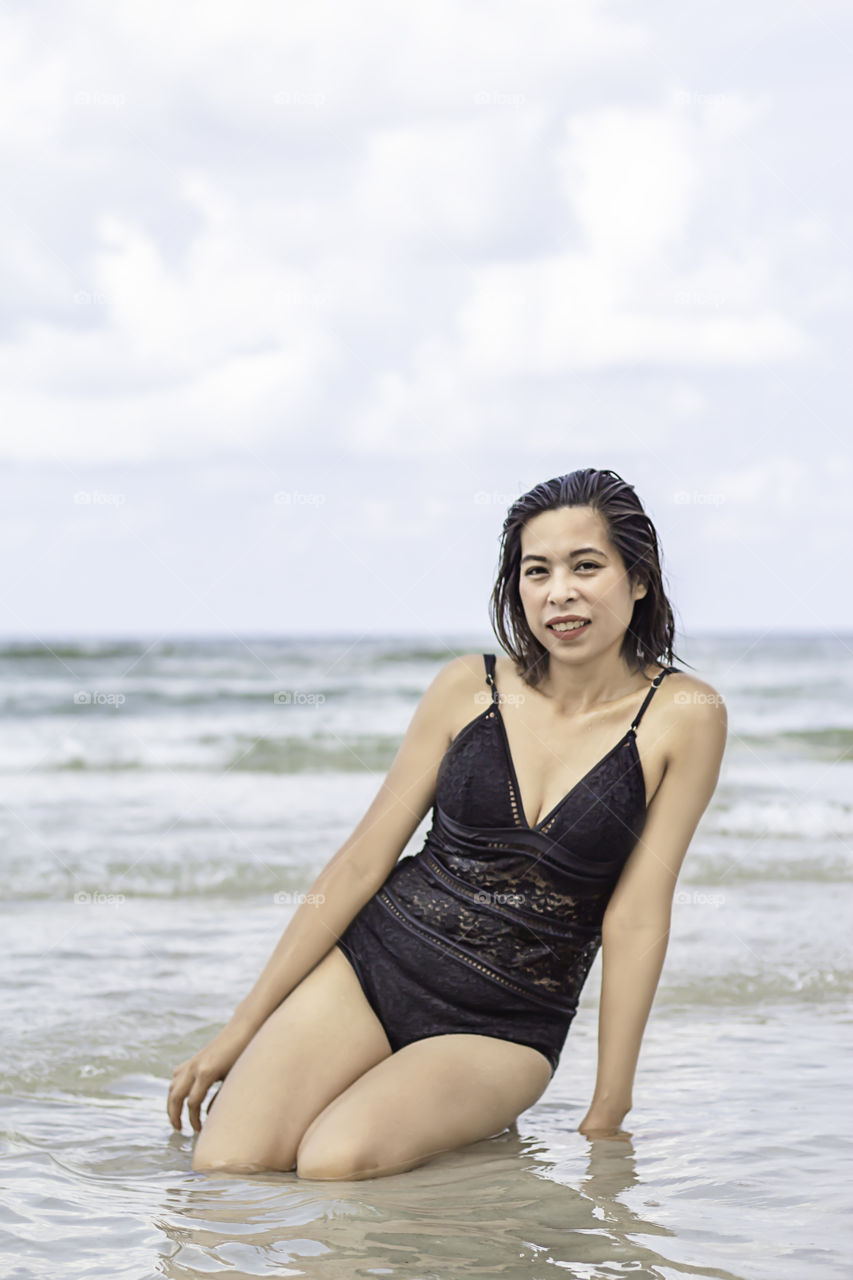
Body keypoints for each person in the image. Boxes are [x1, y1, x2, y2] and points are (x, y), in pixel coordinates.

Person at [167, 467, 727, 1181]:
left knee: (334, 1162)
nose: (559, 592)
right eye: (537, 571)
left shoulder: (683, 715)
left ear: (638, 578)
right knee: (228, 1166)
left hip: (506, 1021)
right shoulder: (468, 686)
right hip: (372, 966)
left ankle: (455, 1127)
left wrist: (607, 1109)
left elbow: (637, 913)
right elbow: (362, 861)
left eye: (585, 566)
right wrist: (238, 1030)